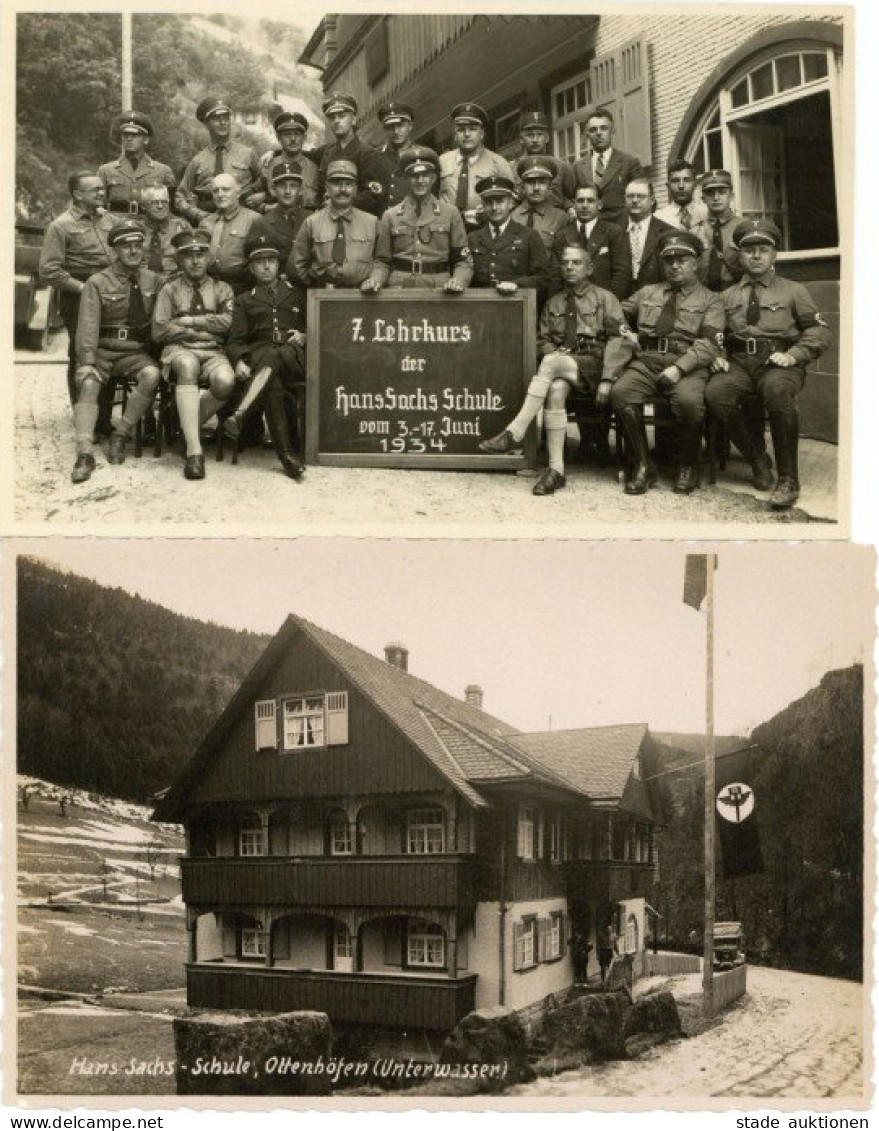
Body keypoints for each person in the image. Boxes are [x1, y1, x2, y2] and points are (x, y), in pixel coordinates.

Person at [478, 244, 623, 495]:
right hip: (563, 367)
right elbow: (542, 339)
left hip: (594, 365)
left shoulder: (605, 298)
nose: (569, 267)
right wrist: (552, 352)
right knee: (555, 389)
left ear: (590, 268)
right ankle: (557, 470)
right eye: (565, 262)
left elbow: (618, 341)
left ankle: (515, 431)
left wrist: (608, 378)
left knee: (551, 363)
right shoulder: (554, 301)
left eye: (576, 263)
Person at [706, 218, 830, 509]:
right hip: (739, 363)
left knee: (776, 390)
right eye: (749, 250)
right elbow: (713, 333)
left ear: (774, 254)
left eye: (763, 249)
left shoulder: (794, 290)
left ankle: (788, 479)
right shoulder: (727, 296)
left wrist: (794, 355)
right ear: (739, 255)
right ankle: (758, 459)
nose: (757, 256)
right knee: (715, 393)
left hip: (779, 364)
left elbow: (819, 331)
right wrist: (718, 356)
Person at [607, 229, 724, 495]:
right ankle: (643, 465)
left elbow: (709, 343)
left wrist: (679, 367)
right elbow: (614, 314)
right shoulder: (648, 292)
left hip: (687, 365)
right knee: (621, 393)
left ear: (696, 263)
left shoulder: (710, 300)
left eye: (682, 259)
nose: (674, 265)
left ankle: (688, 465)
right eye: (669, 260)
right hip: (646, 361)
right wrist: (626, 331)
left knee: (688, 402)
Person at [70, 219, 161, 483]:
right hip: (102, 350)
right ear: (114, 251)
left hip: (133, 352)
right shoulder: (97, 282)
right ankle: (85, 452)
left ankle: (120, 435)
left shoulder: (153, 281)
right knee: (88, 382)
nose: (133, 251)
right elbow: (87, 326)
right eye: (126, 247)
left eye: (137, 246)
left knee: (152, 375)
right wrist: (86, 361)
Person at [151, 229, 236, 480]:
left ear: (209, 258)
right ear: (179, 260)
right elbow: (159, 330)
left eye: (201, 254)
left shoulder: (222, 289)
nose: (196, 260)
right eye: (189, 255)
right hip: (180, 350)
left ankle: (184, 426)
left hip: (213, 351)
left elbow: (228, 323)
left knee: (226, 381)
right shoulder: (170, 290)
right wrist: (201, 331)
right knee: (187, 366)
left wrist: (190, 321)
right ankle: (194, 452)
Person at [225, 233, 307, 481]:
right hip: (262, 358)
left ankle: (241, 413)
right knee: (273, 384)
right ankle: (287, 458)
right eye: (260, 262)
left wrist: (304, 335)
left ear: (278, 264)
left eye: (271, 260)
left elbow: (316, 325)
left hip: (294, 355)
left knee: (277, 354)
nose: (267, 266)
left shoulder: (297, 293)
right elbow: (236, 340)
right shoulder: (243, 300)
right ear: (251, 268)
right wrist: (239, 360)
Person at [39, 171, 115, 407]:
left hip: (109, 291)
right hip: (78, 294)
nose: (102, 193)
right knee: (81, 352)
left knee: (109, 349)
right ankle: (81, 410)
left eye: (102, 188)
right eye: (95, 190)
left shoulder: (108, 220)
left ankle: (102, 417)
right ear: (78, 194)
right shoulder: (60, 226)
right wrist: (84, 288)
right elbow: (49, 270)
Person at [361, 146, 472, 292]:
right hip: (399, 288)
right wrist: (375, 281)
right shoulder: (391, 215)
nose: (420, 181)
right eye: (414, 176)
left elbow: (462, 261)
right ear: (406, 179)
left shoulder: (450, 213)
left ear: (433, 178)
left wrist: (458, 281)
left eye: (425, 175)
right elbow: (382, 262)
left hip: (439, 289)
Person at [290, 160, 378, 289]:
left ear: (355, 189)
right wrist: (316, 287)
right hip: (323, 297)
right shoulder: (312, 222)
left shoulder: (372, 222)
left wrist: (373, 280)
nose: (343, 189)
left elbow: (382, 261)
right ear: (327, 187)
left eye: (348, 184)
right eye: (336, 184)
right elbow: (297, 266)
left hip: (362, 296)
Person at [176, 97, 261, 225]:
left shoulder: (248, 154)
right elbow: (179, 197)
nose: (223, 123)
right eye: (216, 119)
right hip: (207, 220)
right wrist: (198, 215)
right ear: (206, 124)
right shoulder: (198, 161)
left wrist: (261, 197)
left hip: (242, 219)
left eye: (226, 118)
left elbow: (266, 183)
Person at [467, 174, 549, 299]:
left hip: (515, 305)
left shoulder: (529, 235)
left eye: (500, 201)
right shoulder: (473, 238)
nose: (494, 208)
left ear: (510, 203)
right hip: (481, 306)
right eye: (489, 202)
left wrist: (517, 284)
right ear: (482, 205)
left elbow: (543, 278)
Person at [438, 102, 515, 231]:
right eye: (461, 129)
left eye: (472, 129)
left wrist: (490, 210)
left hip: (484, 229)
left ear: (482, 133)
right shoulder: (442, 161)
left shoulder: (498, 163)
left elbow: (512, 200)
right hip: (447, 229)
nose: (467, 134)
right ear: (455, 134)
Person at [551, 183, 631, 300]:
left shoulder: (613, 232)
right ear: (574, 204)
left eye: (590, 201)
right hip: (570, 305)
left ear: (599, 204)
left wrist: (609, 304)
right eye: (580, 201)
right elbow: (556, 277)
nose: (585, 205)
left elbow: (622, 274)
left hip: (603, 304)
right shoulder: (562, 236)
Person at [314, 92, 386, 217]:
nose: (336, 121)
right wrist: (274, 152)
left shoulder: (367, 153)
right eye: (332, 118)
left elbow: (374, 196)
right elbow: (301, 153)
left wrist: (339, 202)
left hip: (356, 220)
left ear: (353, 119)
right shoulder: (327, 152)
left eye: (342, 116)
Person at [570, 109, 644, 226]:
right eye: (593, 130)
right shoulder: (578, 167)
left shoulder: (629, 163)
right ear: (587, 134)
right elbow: (568, 196)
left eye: (603, 128)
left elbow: (642, 196)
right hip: (589, 229)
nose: (598, 133)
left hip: (621, 228)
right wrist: (570, 208)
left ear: (612, 130)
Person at [97, 111, 176, 215]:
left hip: (149, 225)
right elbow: (97, 204)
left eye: (135, 135)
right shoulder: (106, 170)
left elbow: (172, 208)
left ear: (146, 140)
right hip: (116, 225)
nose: (129, 139)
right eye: (125, 135)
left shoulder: (163, 171)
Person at [197, 173, 258, 293]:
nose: (220, 194)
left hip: (242, 288)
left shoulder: (254, 220)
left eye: (226, 189)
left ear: (238, 193)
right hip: (209, 288)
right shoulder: (205, 223)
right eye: (215, 191)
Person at [255, 110, 320, 212]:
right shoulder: (268, 166)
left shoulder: (315, 168)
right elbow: (250, 201)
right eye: (287, 134)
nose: (293, 139)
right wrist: (266, 207)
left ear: (304, 138)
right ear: (278, 138)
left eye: (297, 134)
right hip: (275, 224)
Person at [693, 169, 744, 291]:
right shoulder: (695, 231)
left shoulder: (743, 228)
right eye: (710, 193)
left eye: (722, 192)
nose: (716, 197)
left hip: (736, 295)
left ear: (731, 196)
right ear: (703, 198)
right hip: (703, 297)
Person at [248, 160, 308, 264]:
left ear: (301, 190)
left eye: (293, 186)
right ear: (273, 190)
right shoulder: (261, 223)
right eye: (282, 186)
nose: (287, 191)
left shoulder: (311, 219)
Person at [514, 110, 576, 209]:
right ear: (521, 139)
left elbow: (572, 198)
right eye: (530, 135)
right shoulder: (512, 168)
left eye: (539, 135)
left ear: (547, 138)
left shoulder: (561, 167)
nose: (535, 140)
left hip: (554, 220)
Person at [624, 179, 676, 293]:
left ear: (652, 200)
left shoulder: (668, 232)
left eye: (641, 196)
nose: (635, 200)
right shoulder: (615, 230)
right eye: (630, 196)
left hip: (655, 300)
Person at [511, 156, 570, 256]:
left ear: (550, 186)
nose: (536, 188)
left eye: (542, 182)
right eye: (530, 182)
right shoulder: (511, 216)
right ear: (522, 186)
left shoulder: (561, 218)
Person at [140, 186, 190, 283]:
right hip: (142, 283)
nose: (160, 206)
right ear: (143, 205)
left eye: (164, 202)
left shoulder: (181, 228)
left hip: (174, 283)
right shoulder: (136, 229)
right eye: (154, 202)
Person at [374, 101, 416, 211]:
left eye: (401, 125)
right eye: (390, 127)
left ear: (410, 126)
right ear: (384, 129)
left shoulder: (422, 155)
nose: (396, 131)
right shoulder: (374, 156)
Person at [654, 158, 709, 231]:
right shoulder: (658, 218)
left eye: (687, 180)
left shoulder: (707, 214)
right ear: (668, 186)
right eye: (675, 181)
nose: (681, 186)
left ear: (695, 184)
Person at [596, 918, 619, 983]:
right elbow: (598, 946)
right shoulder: (601, 935)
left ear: (611, 930)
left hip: (610, 952)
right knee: (602, 967)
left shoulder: (613, 936)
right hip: (603, 952)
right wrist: (597, 954)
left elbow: (615, 945)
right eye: (607, 930)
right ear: (605, 930)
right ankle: (603, 980)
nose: (608, 931)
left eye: (610, 930)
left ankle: (609, 980)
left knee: (610, 967)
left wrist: (618, 953)